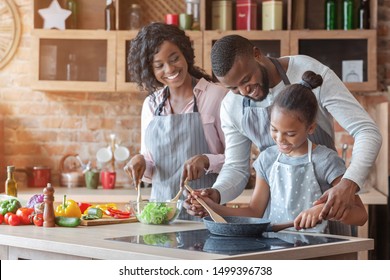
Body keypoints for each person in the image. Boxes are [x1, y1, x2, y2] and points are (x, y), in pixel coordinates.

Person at [185, 35, 381, 225]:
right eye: (234, 88)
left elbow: (366, 131)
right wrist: (216, 194)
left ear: (256, 54)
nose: (244, 91)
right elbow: (236, 167)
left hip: (329, 213)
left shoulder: (307, 71)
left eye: (246, 79)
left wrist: (348, 184)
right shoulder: (231, 105)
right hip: (279, 221)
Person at [124, 23, 227, 218]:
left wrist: (207, 160)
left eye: (174, 58)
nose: (170, 69)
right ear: (149, 70)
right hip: (160, 216)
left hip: (206, 212)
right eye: (159, 65)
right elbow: (152, 166)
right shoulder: (151, 105)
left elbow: (237, 162)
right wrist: (141, 161)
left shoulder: (217, 96)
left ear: (185, 53)